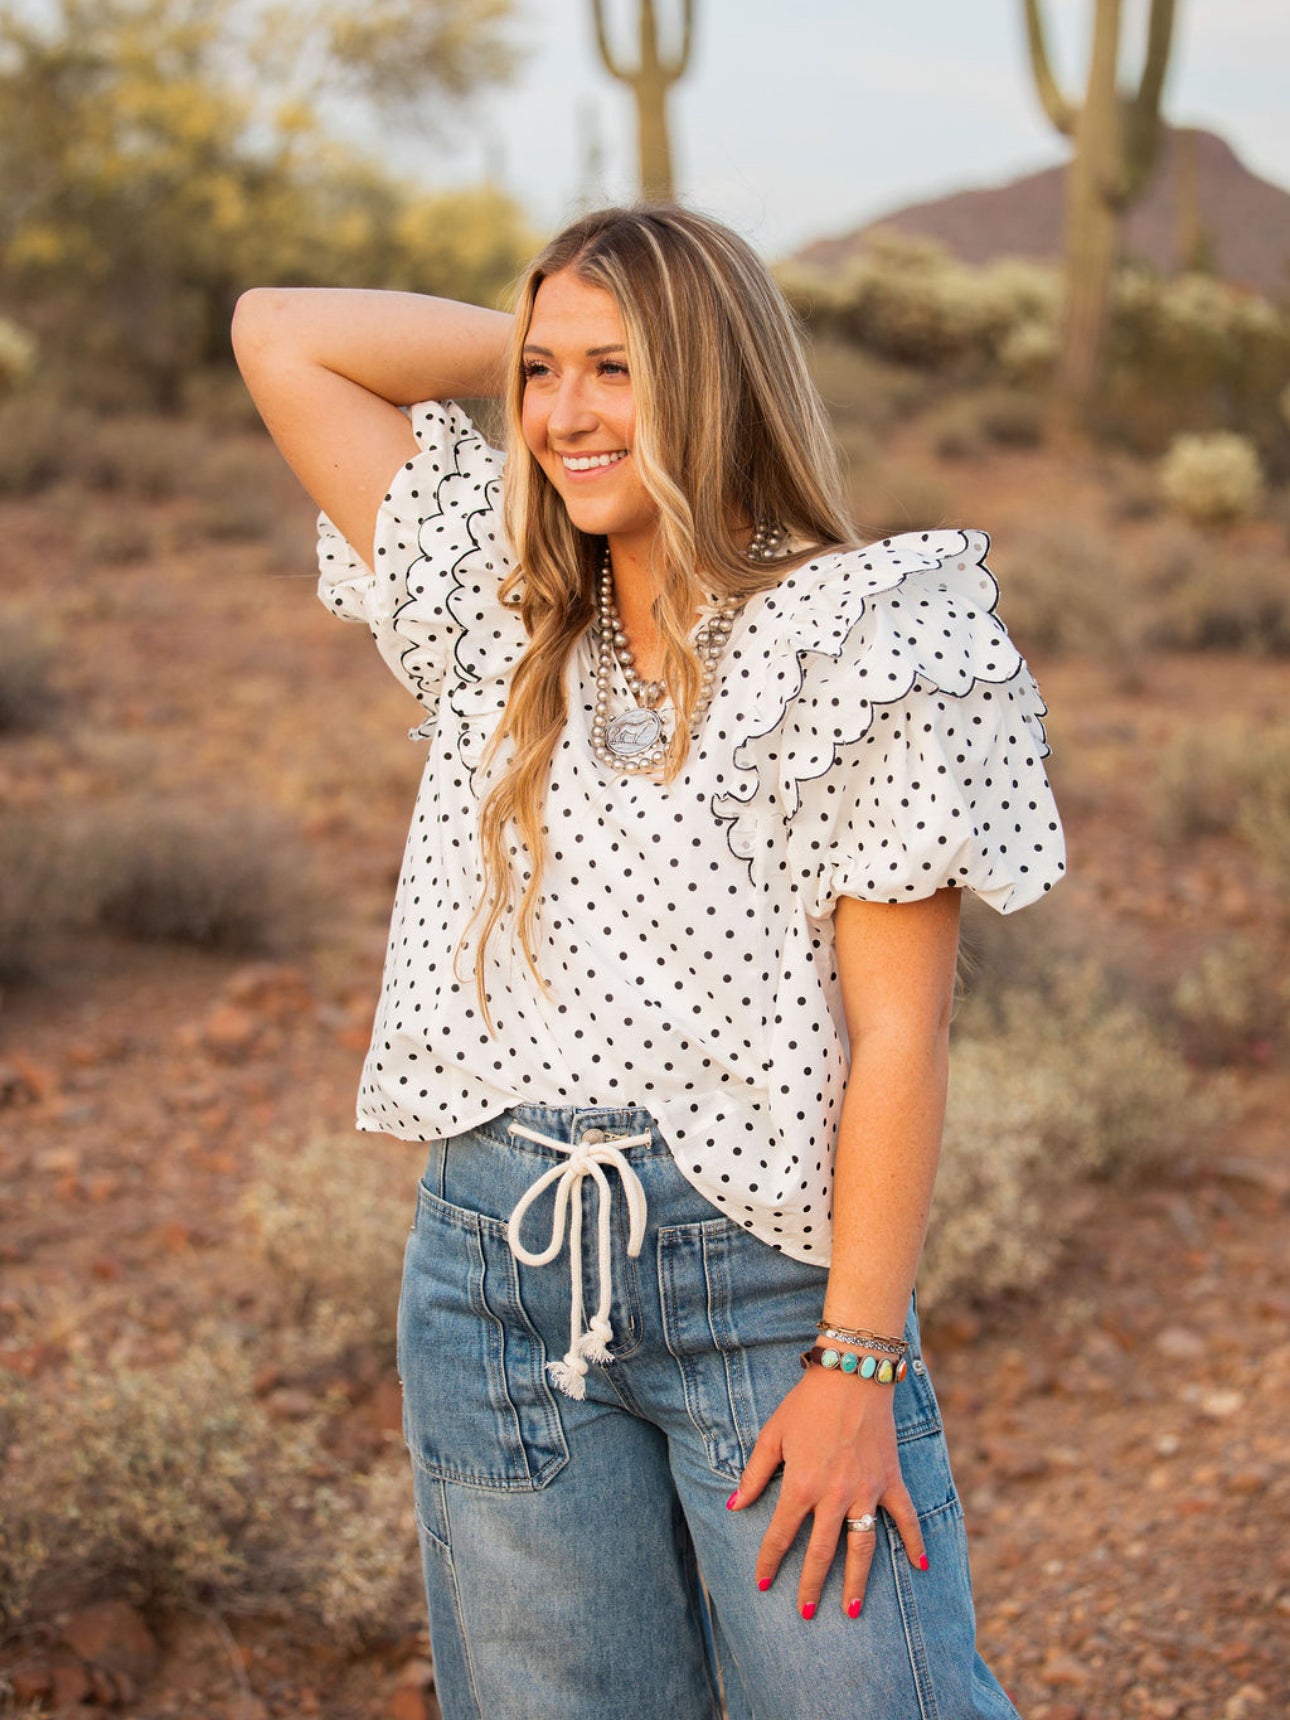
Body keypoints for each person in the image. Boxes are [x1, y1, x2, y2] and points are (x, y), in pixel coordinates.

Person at [232, 203, 1064, 1719]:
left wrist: (858, 1364)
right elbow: (279, 331)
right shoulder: (493, 605)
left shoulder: (860, 640)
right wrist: (560, 358)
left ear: (710, 375)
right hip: (493, 1261)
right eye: (543, 374)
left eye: (616, 370)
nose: (560, 414)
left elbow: (899, 1036)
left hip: (756, 1276)